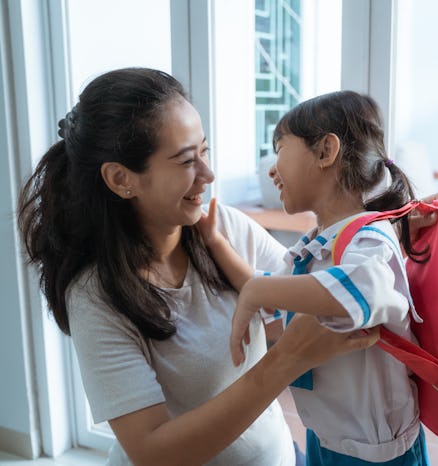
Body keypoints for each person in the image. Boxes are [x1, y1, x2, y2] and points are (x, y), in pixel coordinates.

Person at [16, 68, 381, 466]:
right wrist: (286, 360)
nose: (208, 175)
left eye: (204, 151)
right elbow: (152, 451)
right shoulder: (95, 296)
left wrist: (389, 232)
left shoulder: (220, 225)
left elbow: (312, 307)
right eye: (187, 160)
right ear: (122, 179)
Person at [196, 91, 431, 466]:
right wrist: (216, 243)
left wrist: (259, 290)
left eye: (280, 149)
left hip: (375, 453)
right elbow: (275, 291)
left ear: (325, 151)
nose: (272, 169)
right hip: (327, 436)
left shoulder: (372, 239)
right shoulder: (317, 245)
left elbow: (359, 292)